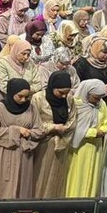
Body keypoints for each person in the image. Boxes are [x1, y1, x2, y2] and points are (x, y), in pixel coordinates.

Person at [0, 78, 42, 199]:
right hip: (2, 154)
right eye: (20, 96)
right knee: (0, 186)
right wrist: (16, 131)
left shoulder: (31, 108)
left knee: (21, 186)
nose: (23, 100)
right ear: (12, 93)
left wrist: (28, 133)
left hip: (23, 154)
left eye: (26, 97)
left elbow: (39, 130)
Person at [31, 71, 77, 199]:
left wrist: (63, 130)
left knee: (57, 176)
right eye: (60, 92)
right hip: (43, 145)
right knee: (41, 175)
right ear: (52, 87)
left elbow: (72, 120)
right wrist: (53, 127)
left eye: (66, 92)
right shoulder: (38, 98)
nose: (63, 96)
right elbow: (33, 122)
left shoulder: (69, 99)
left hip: (62, 144)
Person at [65, 79, 107, 198]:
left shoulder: (102, 104)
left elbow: (106, 121)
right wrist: (93, 132)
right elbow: (72, 127)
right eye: (95, 97)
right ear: (87, 93)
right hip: (80, 147)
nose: (98, 101)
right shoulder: (76, 104)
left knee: (92, 175)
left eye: (100, 97)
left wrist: (104, 129)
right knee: (78, 175)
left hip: (96, 147)